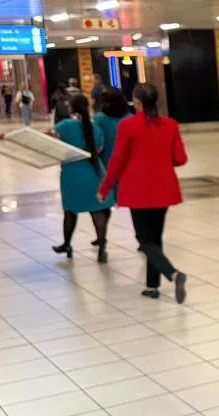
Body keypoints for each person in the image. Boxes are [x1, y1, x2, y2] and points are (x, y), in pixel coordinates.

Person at [97, 83, 189, 303]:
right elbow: (180, 159)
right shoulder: (170, 125)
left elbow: (117, 161)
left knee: (144, 239)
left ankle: (173, 273)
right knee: (155, 238)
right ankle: (152, 285)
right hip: (164, 189)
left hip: (138, 191)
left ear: (137, 102)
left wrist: (105, 188)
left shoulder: (127, 126)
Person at [50, 94, 114, 263]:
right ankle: (102, 247)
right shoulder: (95, 128)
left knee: (70, 211)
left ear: (71, 108)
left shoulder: (64, 126)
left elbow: (49, 138)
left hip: (72, 174)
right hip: (94, 172)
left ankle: (67, 244)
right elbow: (99, 148)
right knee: (97, 210)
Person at [89, 87, 131, 249]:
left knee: (104, 204)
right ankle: (143, 239)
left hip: (107, 165)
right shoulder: (129, 118)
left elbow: (97, 142)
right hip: (128, 165)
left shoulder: (100, 119)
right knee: (135, 204)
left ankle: (102, 236)